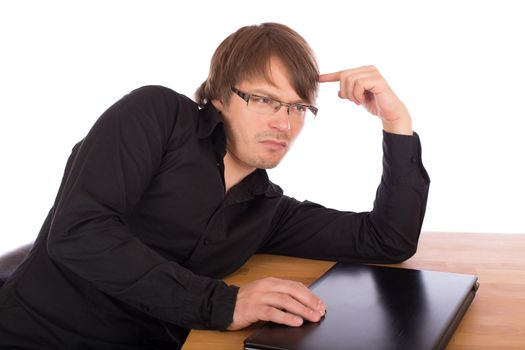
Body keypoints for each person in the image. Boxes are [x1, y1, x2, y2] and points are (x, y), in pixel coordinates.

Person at [0, 22, 429, 349]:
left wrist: (397, 122)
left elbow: (387, 240)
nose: (284, 122)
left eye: (298, 107)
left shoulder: (265, 209)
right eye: (264, 100)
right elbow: (81, 231)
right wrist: (222, 304)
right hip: (33, 336)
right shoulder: (157, 115)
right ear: (220, 96)